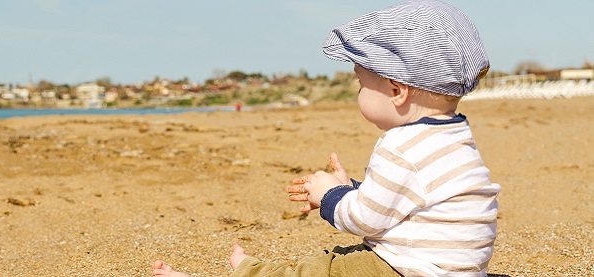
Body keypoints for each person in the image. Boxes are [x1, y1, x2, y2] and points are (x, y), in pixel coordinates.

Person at [153, 0, 500, 276]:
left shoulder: (400, 145)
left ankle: (250, 272)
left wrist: (330, 196)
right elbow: (405, 200)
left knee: (324, 270)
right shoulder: (454, 135)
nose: (359, 91)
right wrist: (352, 188)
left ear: (396, 91)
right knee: (346, 259)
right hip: (451, 267)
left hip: (409, 269)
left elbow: (366, 219)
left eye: (362, 83)